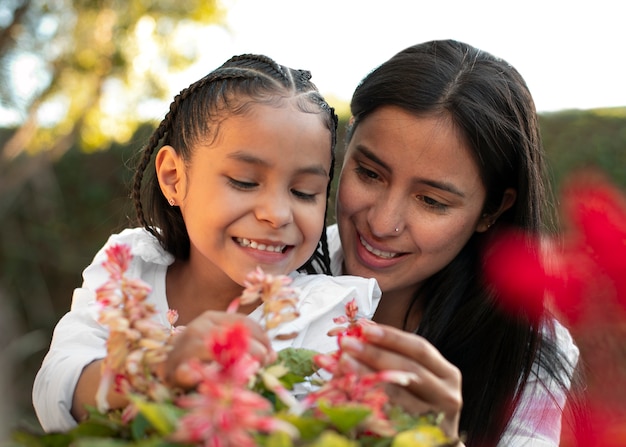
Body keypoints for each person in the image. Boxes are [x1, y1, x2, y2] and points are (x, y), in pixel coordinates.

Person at [32, 54, 380, 433]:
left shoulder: (328, 312)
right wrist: (156, 370)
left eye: (304, 192)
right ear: (173, 178)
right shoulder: (131, 267)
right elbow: (55, 388)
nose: (278, 214)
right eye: (245, 182)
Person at [324, 40, 580, 446]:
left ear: (492, 210)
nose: (382, 222)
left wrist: (442, 439)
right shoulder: (271, 271)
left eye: (431, 201)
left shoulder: (527, 352)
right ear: (347, 142)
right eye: (370, 173)